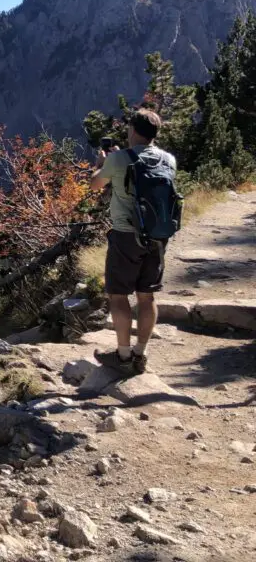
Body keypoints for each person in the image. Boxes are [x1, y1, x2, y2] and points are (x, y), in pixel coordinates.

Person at [89, 109, 177, 376]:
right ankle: (141, 353)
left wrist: (102, 162)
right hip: (158, 236)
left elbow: (95, 185)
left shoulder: (117, 159)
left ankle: (123, 355)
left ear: (133, 131)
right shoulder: (168, 159)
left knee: (118, 296)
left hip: (126, 236)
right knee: (147, 296)